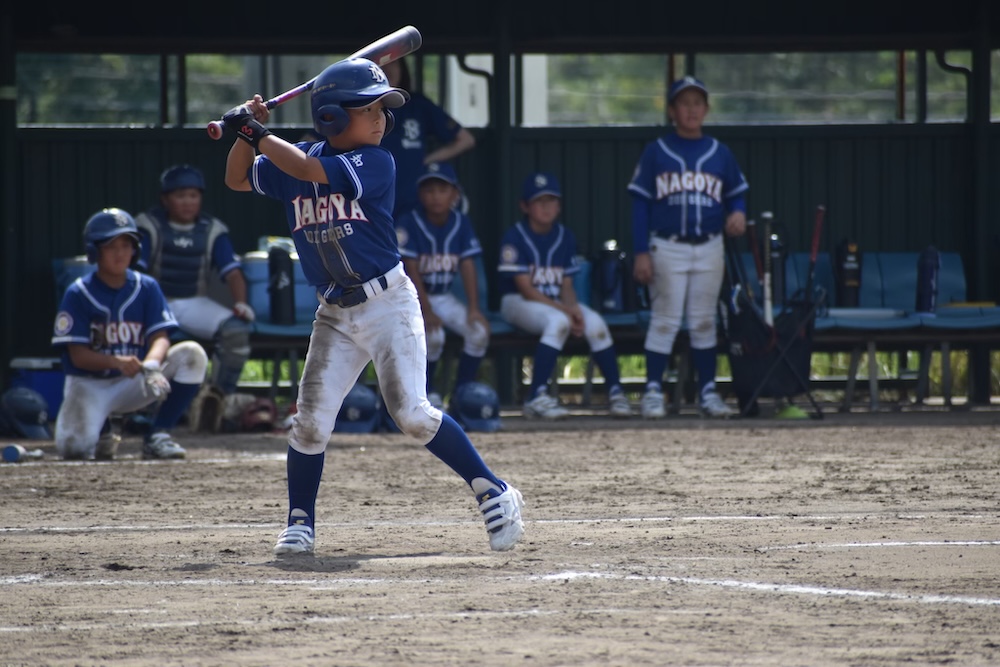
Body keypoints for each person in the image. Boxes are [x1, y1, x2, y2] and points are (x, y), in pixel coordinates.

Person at [220, 57, 524, 555]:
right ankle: (299, 522)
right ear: (332, 116)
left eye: (383, 109)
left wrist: (254, 132)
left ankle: (494, 490)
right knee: (310, 422)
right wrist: (243, 133)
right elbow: (237, 179)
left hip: (388, 304)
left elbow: (308, 170)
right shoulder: (293, 156)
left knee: (412, 414)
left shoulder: (375, 161)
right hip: (334, 314)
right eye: (370, 109)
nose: (382, 118)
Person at [627, 76, 748, 419]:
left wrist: (738, 212)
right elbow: (640, 204)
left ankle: (708, 392)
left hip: (709, 245)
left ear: (706, 109)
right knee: (665, 320)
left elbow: (736, 193)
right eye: (684, 103)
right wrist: (640, 251)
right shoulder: (657, 151)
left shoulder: (719, 152)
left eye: (697, 103)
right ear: (672, 110)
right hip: (668, 246)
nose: (691, 110)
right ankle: (653, 391)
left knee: (704, 321)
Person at [50, 208, 208, 460]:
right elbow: (78, 356)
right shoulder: (78, 293)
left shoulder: (146, 287)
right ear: (94, 250)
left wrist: (152, 364)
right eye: (111, 246)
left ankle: (158, 434)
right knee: (74, 449)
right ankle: (103, 431)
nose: (121, 253)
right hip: (90, 384)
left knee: (192, 355)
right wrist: (116, 362)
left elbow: (160, 337)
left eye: (126, 245)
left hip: (135, 379)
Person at [498, 172, 633, 420]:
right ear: (525, 206)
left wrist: (575, 310)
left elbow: (567, 285)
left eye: (551, 201)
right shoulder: (515, 236)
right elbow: (526, 289)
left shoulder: (564, 236)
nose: (546, 207)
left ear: (559, 205)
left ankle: (616, 392)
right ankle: (535, 397)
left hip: (555, 303)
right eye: (539, 201)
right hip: (517, 302)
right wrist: (566, 312)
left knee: (596, 324)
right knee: (558, 322)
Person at [134, 164, 254, 402]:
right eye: (180, 196)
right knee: (137, 335)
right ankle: (145, 405)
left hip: (193, 302)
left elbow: (233, 272)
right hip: (156, 303)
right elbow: (136, 272)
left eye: (193, 195)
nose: (188, 202)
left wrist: (240, 302)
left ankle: (218, 399)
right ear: (165, 199)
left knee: (236, 330)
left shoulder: (212, 229)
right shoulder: (148, 225)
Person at [395, 161, 490, 409]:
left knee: (478, 332)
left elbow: (468, 266)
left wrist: (474, 308)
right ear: (420, 194)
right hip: (412, 298)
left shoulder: (461, 222)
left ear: (454, 194)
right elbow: (410, 270)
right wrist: (426, 310)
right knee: (433, 336)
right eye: (429, 190)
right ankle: (428, 393)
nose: (436, 196)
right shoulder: (408, 222)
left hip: (444, 297)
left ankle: (462, 393)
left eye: (442, 190)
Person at [380, 58, 476, 218]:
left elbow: (466, 140)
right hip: (375, 199)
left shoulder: (418, 105)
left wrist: (428, 160)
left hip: (412, 202)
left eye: (394, 62)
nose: (388, 69)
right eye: (381, 64)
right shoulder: (363, 108)